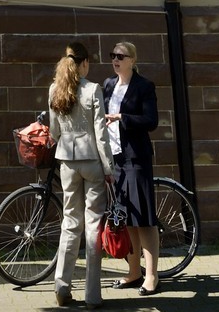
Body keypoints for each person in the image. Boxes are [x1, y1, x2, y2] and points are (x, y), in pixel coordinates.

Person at [48, 40, 113, 309]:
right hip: (92, 162)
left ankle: (62, 287)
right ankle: (93, 295)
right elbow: (101, 133)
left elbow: (54, 132)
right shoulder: (93, 89)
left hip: (67, 162)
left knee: (70, 223)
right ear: (84, 63)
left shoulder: (54, 88)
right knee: (93, 226)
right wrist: (109, 168)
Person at [103, 40, 159, 296]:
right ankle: (134, 272)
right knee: (127, 219)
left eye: (121, 56)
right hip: (116, 159)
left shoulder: (144, 86)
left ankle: (152, 276)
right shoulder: (108, 85)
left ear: (132, 60)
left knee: (144, 219)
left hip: (136, 158)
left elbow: (151, 121)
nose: (116, 59)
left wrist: (123, 118)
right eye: (113, 55)